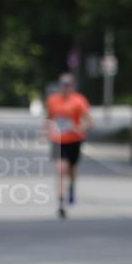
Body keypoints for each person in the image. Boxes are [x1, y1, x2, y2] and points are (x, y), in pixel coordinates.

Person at [44, 73, 92, 218]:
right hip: (58, 140)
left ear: (72, 86)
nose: (65, 87)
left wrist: (80, 128)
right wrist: (45, 131)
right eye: (63, 84)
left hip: (74, 139)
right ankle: (60, 200)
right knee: (60, 169)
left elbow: (88, 121)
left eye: (68, 85)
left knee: (71, 169)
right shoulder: (52, 100)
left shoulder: (79, 100)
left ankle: (71, 187)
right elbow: (48, 118)